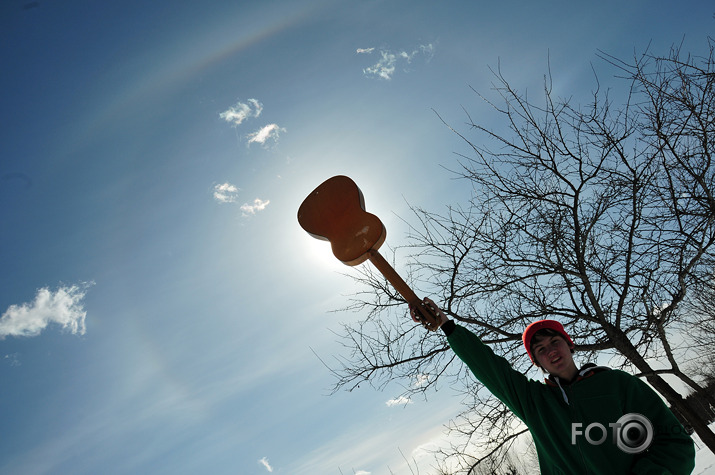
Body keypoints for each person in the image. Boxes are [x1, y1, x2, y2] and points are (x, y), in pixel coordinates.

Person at [411, 298, 696, 474]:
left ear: (569, 345)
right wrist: (447, 326)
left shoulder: (617, 384)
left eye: (555, 342)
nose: (551, 351)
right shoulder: (536, 403)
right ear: (538, 363)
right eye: (541, 350)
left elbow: (674, 443)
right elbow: (491, 369)